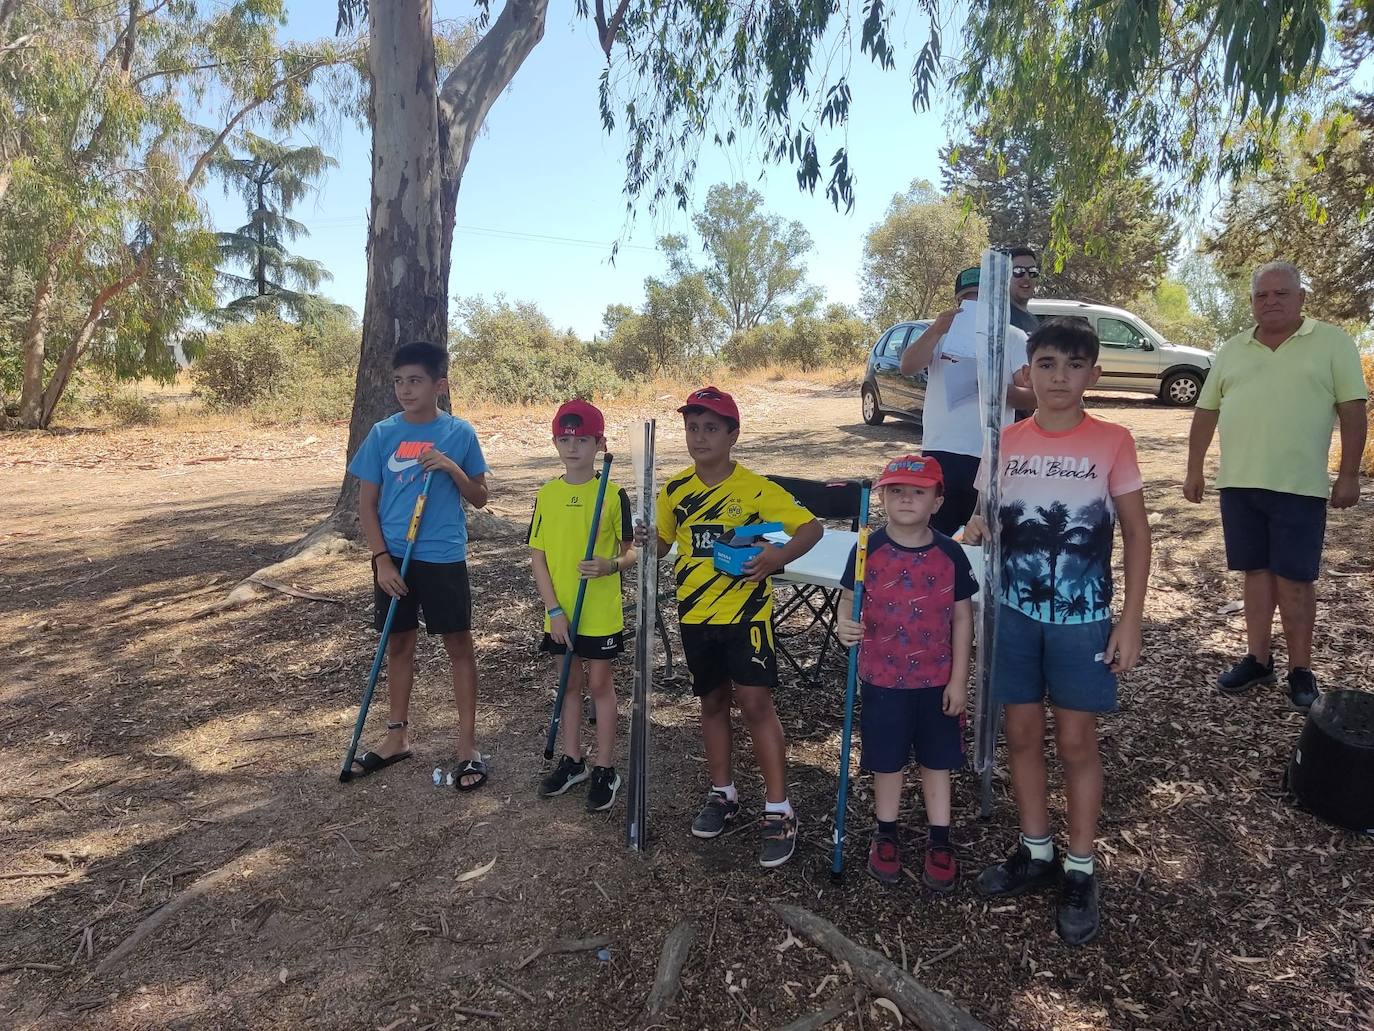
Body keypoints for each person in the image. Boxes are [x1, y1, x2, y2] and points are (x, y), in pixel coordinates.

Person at [963, 318, 1152, 946]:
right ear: (1028, 372)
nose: (1059, 378)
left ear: (1093, 374)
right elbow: (984, 518)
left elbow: (1135, 532)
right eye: (1046, 364)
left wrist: (1130, 619)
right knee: (1019, 733)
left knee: (1075, 742)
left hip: (1083, 620)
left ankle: (1078, 866)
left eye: (1074, 366)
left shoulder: (1113, 440)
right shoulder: (1006, 441)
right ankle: (1035, 850)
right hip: (1013, 616)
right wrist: (968, 531)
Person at [635, 386, 823, 867]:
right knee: (712, 701)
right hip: (695, 615)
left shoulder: (756, 489)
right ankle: (723, 792)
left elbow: (810, 528)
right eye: (693, 427)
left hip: (746, 615)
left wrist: (777, 556)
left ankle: (779, 808)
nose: (700, 437)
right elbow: (659, 545)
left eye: (711, 428)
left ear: (733, 434)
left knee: (756, 702)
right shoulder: (674, 490)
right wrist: (643, 542)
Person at [1183, 261, 1368, 711]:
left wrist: (1348, 474)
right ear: (1252, 302)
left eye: (1282, 293)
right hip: (1240, 484)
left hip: (1299, 487)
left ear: (1302, 297)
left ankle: (1301, 670)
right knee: (1256, 574)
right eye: (1262, 296)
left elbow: (1353, 410)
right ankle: (1257, 659)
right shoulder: (1232, 349)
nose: (1272, 302)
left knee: (1296, 581)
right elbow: (1206, 412)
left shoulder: (1332, 343)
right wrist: (1194, 468)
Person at [346, 341, 492, 790]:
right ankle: (397, 737)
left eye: (415, 381)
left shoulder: (459, 434)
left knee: (458, 646)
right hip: (394, 558)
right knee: (399, 645)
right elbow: (366, 505)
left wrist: (451, 467)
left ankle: (467, 745)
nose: (405, 390)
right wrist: (381, 561)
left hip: (442, 554)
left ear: (439, 385)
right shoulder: (382, 433)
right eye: (398, 381)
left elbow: (480, 497)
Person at [835, 454, 977, 891]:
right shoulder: (866, 549)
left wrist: (959, 679)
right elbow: (845, 598)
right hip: (882, 679)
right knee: (887, 762)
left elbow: (962, 619)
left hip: (936, 682)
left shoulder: (950, 553)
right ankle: (887, 833)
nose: (906, 500)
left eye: (918, 492)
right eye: (896, 491)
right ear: (882, 498)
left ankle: (940, 839)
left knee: (937, 762)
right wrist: (844, 625)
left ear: (937, 501)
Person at [530, 400, 634, 811]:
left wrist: (610, 565)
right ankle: (574, 760)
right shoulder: (547, 494)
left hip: (599, 612)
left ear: (599, 443)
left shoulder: (612, 494)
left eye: (583, 439)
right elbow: (537, 556)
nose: (573, 447)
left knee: (599, 686)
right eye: (565, 439)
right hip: (561, 614)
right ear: (556, 442)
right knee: (569, 685)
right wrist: (553, 609)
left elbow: (631, 553)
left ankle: (606, 766)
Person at [900, 266, 1037, 536]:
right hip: (940, 450)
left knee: (982, 538)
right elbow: (907, 366)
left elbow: (1031, 398)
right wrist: (936, 330)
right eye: (966, 298)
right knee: (936, 536)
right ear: (956, 302)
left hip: (988, 453)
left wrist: (994, 388)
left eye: (980, 298)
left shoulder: (1012, 337)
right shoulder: (939, 334)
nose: (973, 304)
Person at [1007, 246, 1041, 334]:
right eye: (1018, 271)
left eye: (1032, 271)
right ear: (1006, 276)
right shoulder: (1001, 319)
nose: (1027, 277)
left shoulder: (1033, 320)